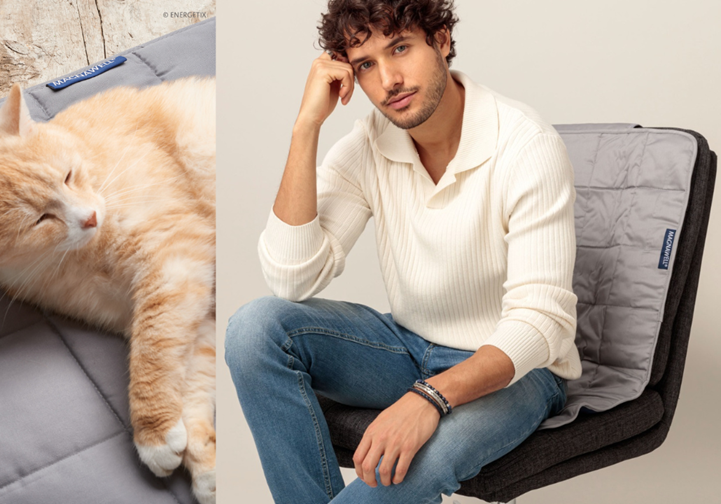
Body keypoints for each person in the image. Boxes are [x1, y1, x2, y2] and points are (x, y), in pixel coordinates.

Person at [225, 0, 582, 502]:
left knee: (421, 458)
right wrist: (306, 128)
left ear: (440, 41)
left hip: (515, 370)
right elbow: (291, 277)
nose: (389, 79)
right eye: (366, 64)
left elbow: (541, 323)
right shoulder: (372, 141)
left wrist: (429, 398)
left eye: (399, 48)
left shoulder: (525, 145)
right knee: (253, 330)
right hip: (407, 346)